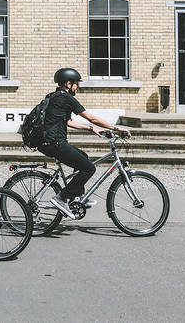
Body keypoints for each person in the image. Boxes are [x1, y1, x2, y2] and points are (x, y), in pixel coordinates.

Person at [39, 67, 131, 220]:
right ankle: (61, 198)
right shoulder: (66, 98)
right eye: (76, 84)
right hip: (54, 143)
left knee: (83, 157)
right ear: (68, 84)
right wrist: (116, 128)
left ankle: (76, 197)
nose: (78, 87)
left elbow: (67, 121)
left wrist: (90, 129)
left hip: (50, 142)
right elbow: (91, 117)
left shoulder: (55, 96)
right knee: (89, 168)